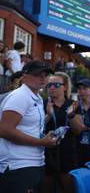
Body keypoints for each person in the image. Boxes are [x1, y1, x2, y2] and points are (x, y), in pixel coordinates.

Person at [0, 60, 57, 193]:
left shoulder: (35, 97)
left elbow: (29, 128)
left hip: (31, 164)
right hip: (18, 166)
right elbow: (5, 130)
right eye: (37, 74)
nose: (43, 77)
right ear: (24, 76)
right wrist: (41, 142)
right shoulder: (20, 96)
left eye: (46, 74)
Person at [41, 71, 78, 193]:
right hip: (46, 154)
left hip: (67, 153)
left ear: (65, 87)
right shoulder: (42, 103)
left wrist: (71, 116)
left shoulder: (72, 105)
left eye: (56, 85)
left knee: (67, 188)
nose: (51, 88)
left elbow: (78, 130)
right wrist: (48, 115)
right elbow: (36, 129)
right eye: (49, 85)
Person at [69, 78, 90, 167]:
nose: (81, 91)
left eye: (85, 89)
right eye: (79, 89)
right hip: (78, 147)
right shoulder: (74, 106)